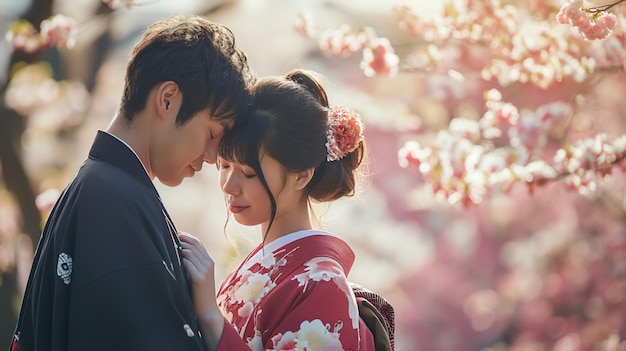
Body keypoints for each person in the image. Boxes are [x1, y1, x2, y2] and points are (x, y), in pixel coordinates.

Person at [9, 14, 255, 351]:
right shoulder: (114, 203)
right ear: (168, 99)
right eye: (212, 134)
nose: (213, 156)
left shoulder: (103, 188)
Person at [180, 69, 394, 351]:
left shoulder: (322, 284)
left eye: (248, 172)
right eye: (225, 166)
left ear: (301, 176)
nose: (229, 186)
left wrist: (210, 316)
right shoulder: (273, 266)